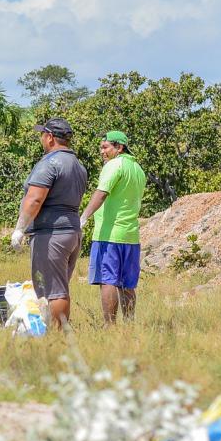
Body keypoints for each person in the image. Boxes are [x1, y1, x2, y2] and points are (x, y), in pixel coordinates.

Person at [10, 117, 88, 330]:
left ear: (50, 137)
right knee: (60, 287)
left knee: (53, 291)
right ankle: (58, 332)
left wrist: (19, 229)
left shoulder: (50, 163)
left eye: (42, 134)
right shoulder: (78, 165)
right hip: (71, 231)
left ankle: (55, 337)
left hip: (52, 233)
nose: (41, 139)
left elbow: (35, 199)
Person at [81, 130, 147, 323]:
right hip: (130, 235)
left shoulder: (113, 165)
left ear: (119, 147)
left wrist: (83, 218)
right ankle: (129, 324)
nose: (102, 152)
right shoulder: (137, 169)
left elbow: (101, 193)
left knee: (107, 280)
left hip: (109, 234)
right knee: (127, 284)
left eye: (105, 147)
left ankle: (110, 327)